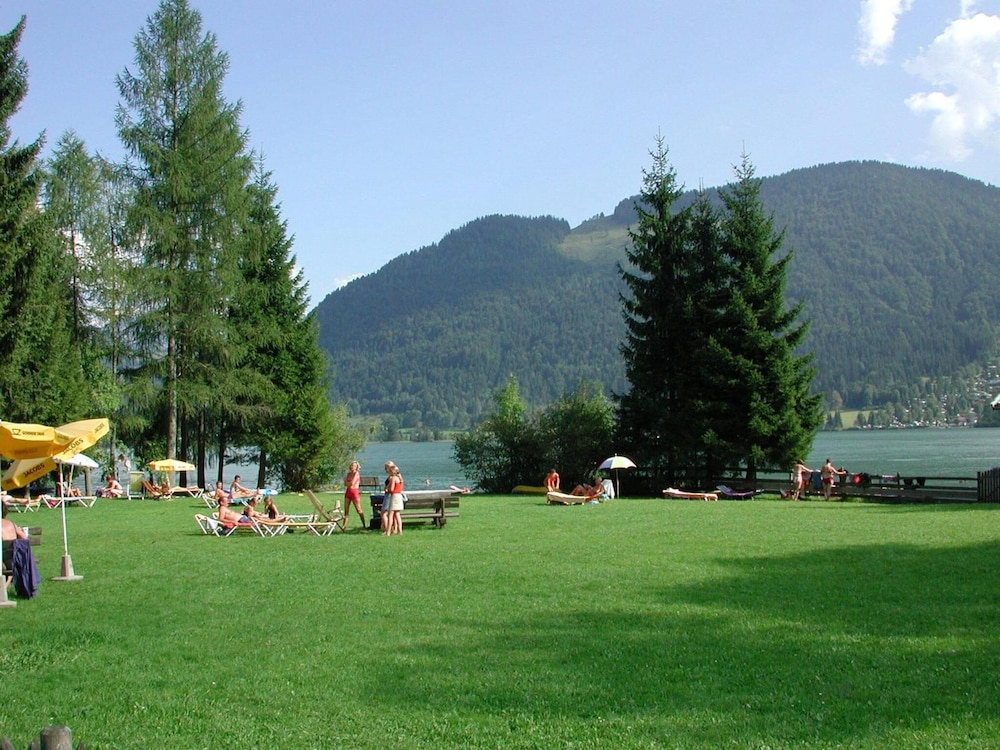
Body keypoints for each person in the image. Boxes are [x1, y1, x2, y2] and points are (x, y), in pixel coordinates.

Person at [382, 461, 405, 536]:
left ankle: (388, 532)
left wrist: (387, 489)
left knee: (390, 515)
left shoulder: (393, 478)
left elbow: (391, 489)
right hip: (399, 496)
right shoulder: (400, 479)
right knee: (397, 514)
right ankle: (400, 531)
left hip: (394, 497)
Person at [343, 461, 366, 530]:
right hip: (348, 492)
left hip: (354, 492)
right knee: (346, 510)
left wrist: (348, 483)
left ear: (356, 467)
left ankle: (364, 525)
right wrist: (348, 483)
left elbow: (352, 483)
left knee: (358, 509)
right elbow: (345, 483)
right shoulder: (349, 473)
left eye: (354, 466)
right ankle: (344, 526)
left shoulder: (356, 473)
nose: (352, 467)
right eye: (352, 465)